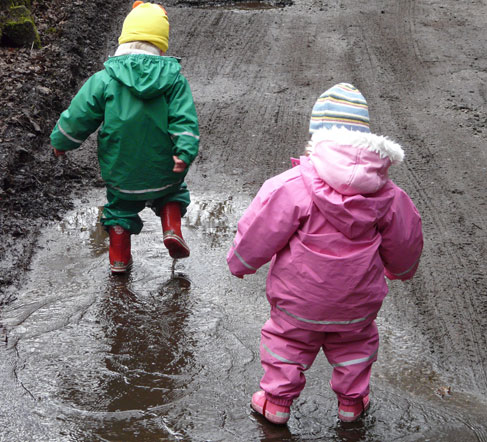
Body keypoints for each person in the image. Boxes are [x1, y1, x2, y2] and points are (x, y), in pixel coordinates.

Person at [226, 83, 423, 424]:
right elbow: (405, 241)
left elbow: (261, 228)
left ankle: (275, 402)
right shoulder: (390, 196)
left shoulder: (292, 185)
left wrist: (240, 262)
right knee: (355, 346)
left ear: (317, 135)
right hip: (357, 302)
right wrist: (400, 270)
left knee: (286, 343)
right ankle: (352, 403)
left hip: (299, 300)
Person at [50, 1, 199, 273]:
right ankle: (171, 228)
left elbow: (79, 116)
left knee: (119, 208)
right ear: (161, 44)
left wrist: (61, 141)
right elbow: (184, 120)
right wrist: (184, 151)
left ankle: (119, 258)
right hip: (165, 169)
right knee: (174, 193)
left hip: (121, 171)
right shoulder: (175, 81)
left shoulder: (105, 78)